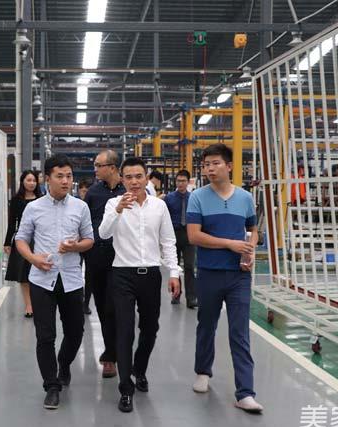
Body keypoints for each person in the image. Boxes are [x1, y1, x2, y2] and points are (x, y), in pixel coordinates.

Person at [99, 157, 181, 413]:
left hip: (151, 275)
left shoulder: (159, 206)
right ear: (122, 179)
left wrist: (174, 272)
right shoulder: (113, 204)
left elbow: (168, 241)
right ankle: (126, 388)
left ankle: (140, 369)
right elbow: (103, 233)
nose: (134, 181)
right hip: (122, 274)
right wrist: (118, 210)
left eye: (138, 176)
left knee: (150, 328)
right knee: (124, 330)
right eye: (128, 177)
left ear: (146, 178)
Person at [186, 143, 263, 413]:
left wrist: (250, 247)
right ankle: (203, 371)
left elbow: (253, 230)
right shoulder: (197, 197)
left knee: (239, 332)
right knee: (206, 325)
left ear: (229, 166)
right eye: (206, 164)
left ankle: (245, 392)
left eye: (216, 163)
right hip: (209, 273)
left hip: (239, 276)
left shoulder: (245, 198)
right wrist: (230, 244)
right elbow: (193, 236)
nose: (210, 168)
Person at [15, 154, 94, 410]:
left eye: (68, 176)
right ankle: (51, 385)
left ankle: (64, 362)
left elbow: (89, 240)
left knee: (75, 332)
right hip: (42, 280)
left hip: (71, 279)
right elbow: (21, 239)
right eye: (60, 176)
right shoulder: (33, 208)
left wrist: (75, 247)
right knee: (45, 335)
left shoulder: (80, 207)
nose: (65, 181)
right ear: (47, 179)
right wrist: (33, 258)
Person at [83, 149, 126, 378]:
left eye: (99, 165)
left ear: (112, 167)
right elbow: (85, 223)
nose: (95, 169)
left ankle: (115, 354)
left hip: (124, 257)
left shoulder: (128, 191)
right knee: (103, 307)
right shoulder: (93, 193)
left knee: (119, 308)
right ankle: (111, 353)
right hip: (98, 257)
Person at [4, 170, 43, 318]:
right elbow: (12, 222)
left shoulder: (42, 199)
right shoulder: (16, 200)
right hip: (22, 240)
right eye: (29, 180)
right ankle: (28, 305)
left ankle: (38, 302)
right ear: (22, 182)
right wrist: (7, 242)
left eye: (34, 180)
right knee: (23, 274)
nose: (32, 183)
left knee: (38, 272)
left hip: (39, 239)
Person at [164, 169, 197, 308]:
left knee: (189, 266)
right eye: (178, 181)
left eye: (183, 181)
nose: (180, 183)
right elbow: (164, 218)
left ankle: (191, 298)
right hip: (174, 234)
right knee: (175, 266)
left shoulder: (194, 198)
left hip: (189, 234)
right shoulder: (169, 198)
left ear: (188, 182)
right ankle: (176, 295)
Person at [77, 177, 94, 314]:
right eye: (82, 190)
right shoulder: (74, 205)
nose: (84, 193)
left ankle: (86, 302)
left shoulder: (94, 204)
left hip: (90, 244)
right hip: (76, 244)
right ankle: (78, 299)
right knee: (76, 271)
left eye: (86, 190)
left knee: (90, 274)